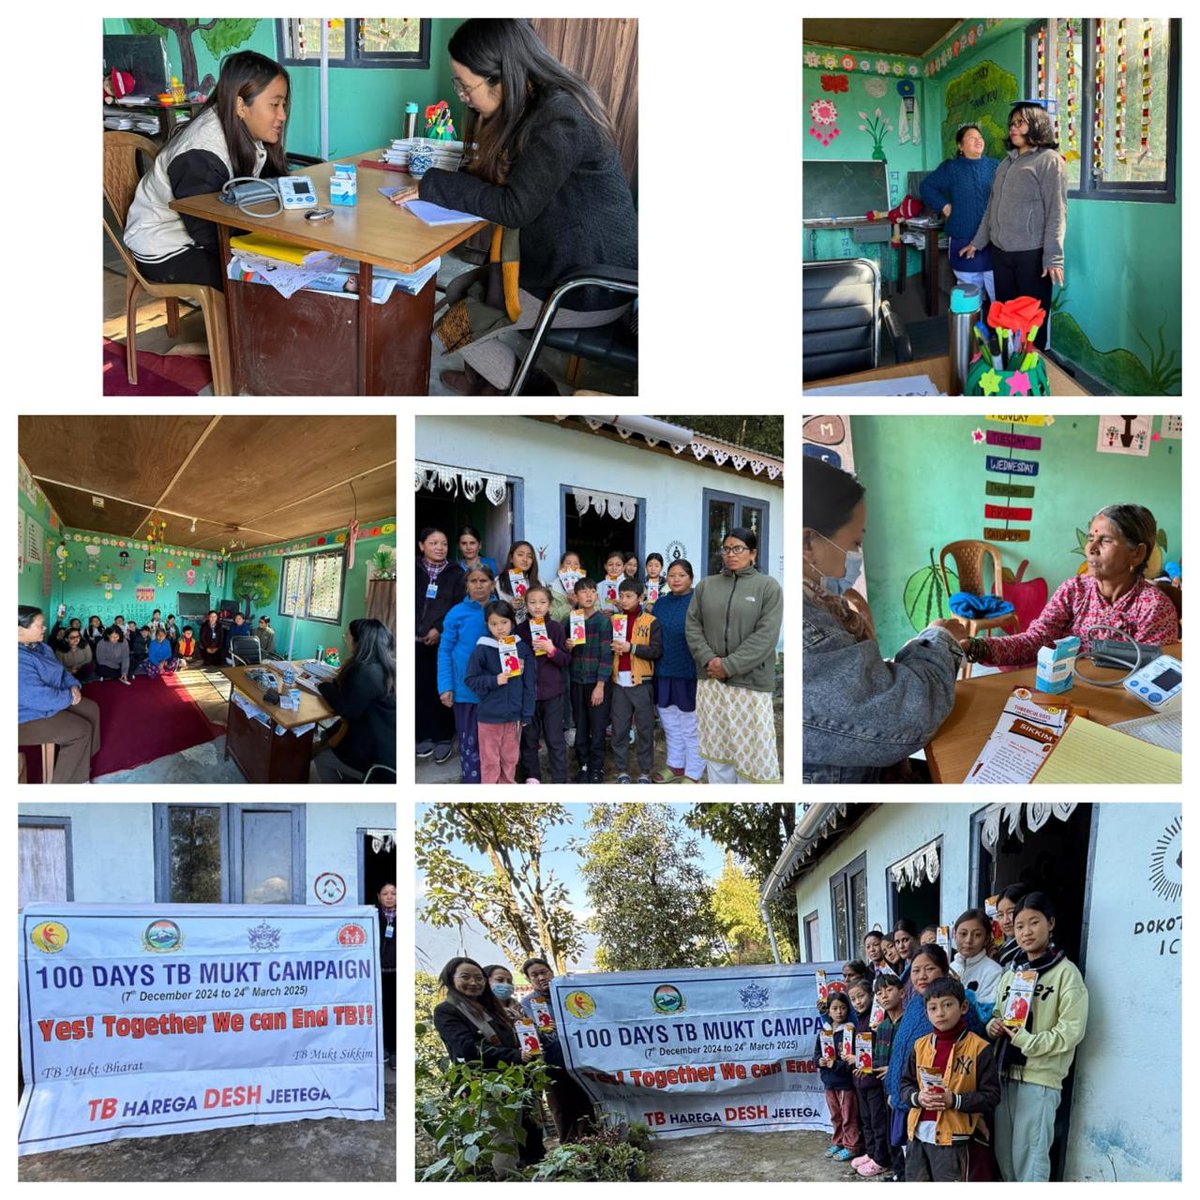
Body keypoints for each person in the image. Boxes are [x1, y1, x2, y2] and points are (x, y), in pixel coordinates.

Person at [388, 18, 637, 396]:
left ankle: (531, 390)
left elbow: (515, 207)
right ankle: (482, 382)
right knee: (457, 288)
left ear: (501, 78)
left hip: (588, 285)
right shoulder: (539, 105)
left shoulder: (561, 118)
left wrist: (435, 185)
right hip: (562, 263)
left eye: (464, 85)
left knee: (455, 326)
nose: (462, 96)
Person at [803, 455, 966, 782]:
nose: (855, 556)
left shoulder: (821, 603)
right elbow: (903, 713)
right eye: (855, 543)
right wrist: (937, 639)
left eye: (1101, 539)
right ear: (808, 542)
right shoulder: (807, 629)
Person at [123, 50, 291, 291]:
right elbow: (210, 232)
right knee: (263, 278)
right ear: (240, 105)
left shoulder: (240, 130)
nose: (282, 115)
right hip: (166, 246)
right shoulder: (199, 154)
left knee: (284, 262)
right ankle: (241, 328)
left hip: (202, 234)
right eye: (274, 104)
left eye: (283, 104)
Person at [962, 504, 1178, 668]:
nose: (1091, 548)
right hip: (1064, 692)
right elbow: (1036, 641)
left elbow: (1153, 675)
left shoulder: (1154, 608)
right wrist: (975, 647)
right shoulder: (1074, 590)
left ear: (1137, 553)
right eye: (1091, 538)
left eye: (1105, 541)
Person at [986, 892, 1088, 1182]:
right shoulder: (1012, 975)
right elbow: (997, 1012)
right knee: (1004, 1156)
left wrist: (1027, 1041)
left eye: (1034, 923)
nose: (1026, 932)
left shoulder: (1066, 974)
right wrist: (993, 1025)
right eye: (1019, 926)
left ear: (1051, 923)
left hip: (1039, 1079)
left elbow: (1071, 1030)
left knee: (1031, 1159)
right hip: (1005, 1075)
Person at [962, 102, 1067, 351]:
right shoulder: (1005, 164)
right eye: (1011, 123)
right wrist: (977, 243)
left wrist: (1053, 258)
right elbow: (992, 208)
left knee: (1031, 324)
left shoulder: (1049, 160)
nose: (1013, 128)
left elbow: (1057, 212)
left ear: (1037, 124)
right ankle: (1010, 373)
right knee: (1006, 319)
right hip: (1001, 255)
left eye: (1020, 122)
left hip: (1032, 256)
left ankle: (1032, 377)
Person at [685, 527, 783, 784]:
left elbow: (766, 636)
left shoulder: (768, 588)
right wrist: (709, 660)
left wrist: (729, 665)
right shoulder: (706, 586)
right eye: (727, 548)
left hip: (749, 684)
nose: (731, 554)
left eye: (738, 548)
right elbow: (692, 626)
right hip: (710, 681)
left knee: (752, 755)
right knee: (717, 753)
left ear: (753, 554)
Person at [432, 957, 545, 1172]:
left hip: (514, 1082)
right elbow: (467, 1049)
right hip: (485, 1085)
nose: (473, 982)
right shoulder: (447, 1010)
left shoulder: (488, 1008)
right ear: (451, 979)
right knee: (501, 1140)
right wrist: (514, 1055)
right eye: (465, 977)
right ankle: (506, 1179)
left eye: (478, 978)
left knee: (522, 1135)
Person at [900, 977, 1001, 1181]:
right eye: (933, 1008)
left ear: (963, 1007)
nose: (940, 1013)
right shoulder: (920, 1046)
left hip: (954, 1140)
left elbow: (992, 1097)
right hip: (917, 1135)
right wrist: (918, 1098)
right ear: (926, 1012)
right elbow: (905, 1084)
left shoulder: (979, 1048)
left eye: (947, 1005)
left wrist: (954, 1100)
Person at [18, 606, 103, 784]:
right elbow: (35, 697)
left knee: (91, 708)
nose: (44, 628)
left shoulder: (42, 647)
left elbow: (61, 672)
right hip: (26, 715)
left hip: (54, 697)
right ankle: (69, 784)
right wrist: (68, 697)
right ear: (19, 630)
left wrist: (73, 685)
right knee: (80, 730)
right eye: (40, 625)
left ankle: (82, 761)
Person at [919, 123, 1000, 302]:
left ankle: (997, 331)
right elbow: (926, 187)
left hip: (993, 242)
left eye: (980, 138)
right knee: (970, 298)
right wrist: (945, 206)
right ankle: (971, 330)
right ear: (960, 146)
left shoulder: (996, 166)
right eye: (971, 138)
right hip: (964, 240)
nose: (978, 141)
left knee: (998, 298)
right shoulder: (951, 168)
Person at [521, 957, 596, 1142]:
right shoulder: (528, 1003)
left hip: (581, 1059)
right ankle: (569, 1147)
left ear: (551, 972)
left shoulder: (568, 994)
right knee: (561, 1107)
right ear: (530, 980)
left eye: (543, 972)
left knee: (586, 1103)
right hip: (552, 1063)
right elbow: (529, 1031)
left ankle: (594, 1142)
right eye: (534, 975)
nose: (541, 977)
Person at [315, 618, 397, 783]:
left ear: (360, 641)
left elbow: (345, 709)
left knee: (321, 758)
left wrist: (324, 686)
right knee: (326, 734)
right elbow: (357, 694)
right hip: (385, 739)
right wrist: (334, 682)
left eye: (348, 635)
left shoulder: (365, 671)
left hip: (375, 753)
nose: (346, 638)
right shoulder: (386, 665)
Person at [465, 600, 536, 784]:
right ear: (487, 625)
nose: (500, 628)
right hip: (489, 718)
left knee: (511, 759)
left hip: (514, 717)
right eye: (494, 623)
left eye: (504, 622)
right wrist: (495, 680)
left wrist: (527, 714)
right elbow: (470, 679)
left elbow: (529, 684)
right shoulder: (482, 649)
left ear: (512, 622)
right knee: (490, 763)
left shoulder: (521, 647)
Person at [438, 565, 495, 783]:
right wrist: (445, 686)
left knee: (494, 745)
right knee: (469, 744)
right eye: (474, 581)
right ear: (467, 585)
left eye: (484, 581)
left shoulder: (500, 610)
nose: (479, 585)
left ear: (492, 584)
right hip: (465, 691)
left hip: (496, 691)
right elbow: (444, 651)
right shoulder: (456, 613)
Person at [649, 559, 704, 783]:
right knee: (669, 722)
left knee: (690, 725)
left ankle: (694, 772)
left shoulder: (699, 602)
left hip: (688, 671)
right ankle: (676, 765)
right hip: (663, 670)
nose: (676, 579)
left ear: (690, 578)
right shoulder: (660, 603)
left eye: (681, 575)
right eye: (671, 575)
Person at [416, 527, 466, 763]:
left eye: (444, 543)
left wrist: (439, 628)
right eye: (434, 543)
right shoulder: (413, 569)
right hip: (413, 641)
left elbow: (458, 606)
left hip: (443, 641)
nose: (439, 547)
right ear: (421, 545)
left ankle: (444, 737)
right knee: (420, 689)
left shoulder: (456, 573)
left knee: (444, 687)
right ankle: (423, 735)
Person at [515, 585, 571, 784]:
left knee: (555, 739)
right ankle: (533, 778)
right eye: (532, 602)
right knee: (529, 740)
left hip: (553, 694)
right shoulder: (519, 630)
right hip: (528, 696)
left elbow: (565, 660)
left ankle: (559, 779)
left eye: (542, 602)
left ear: (549, 604)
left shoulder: (556, 628)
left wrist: (551, 649)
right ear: (526, 604)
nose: (537, 607)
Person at [609, 577, 662, 784]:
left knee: (645, 729)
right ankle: (622, 770)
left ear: (641, 598)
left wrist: (631, 648)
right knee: (619, 729)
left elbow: (656, 651)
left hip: (642, 683)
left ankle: (645, 771)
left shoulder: (651, 621)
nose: (624, 600)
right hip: (618, 683)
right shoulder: (614, 620)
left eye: (629, 596)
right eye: (621, 596)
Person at [854, 971, 905, 1179]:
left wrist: (892, 1071)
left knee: (900, 1132)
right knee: (887, 1128)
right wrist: (866, 1066)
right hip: (884, 1088)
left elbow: (907, 1057)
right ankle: (895, 1170)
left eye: (889, 990)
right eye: (879, 993)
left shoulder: (907, 1023)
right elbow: (878, 1058)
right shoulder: (882, 1026)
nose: (884, 996)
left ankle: (902, 1172)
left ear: (902, 992)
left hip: (903, 1089)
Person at [566, 577, 612, 783]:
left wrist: (600, 686)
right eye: (583, 592)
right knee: (581, 725)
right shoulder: (571, 619)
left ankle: (597, 768)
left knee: (598, 726)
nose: (588, 595)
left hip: (596, 683)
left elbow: (606, 655)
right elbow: (564, 654)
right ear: (575, 596)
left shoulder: (602, 620)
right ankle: (583, 765)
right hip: (577, 681)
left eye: (592, 591)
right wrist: (567, 646)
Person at [847, 978, 890, 1178]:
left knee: (878, 1121)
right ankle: (871, 1154)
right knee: (866, 1121)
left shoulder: (877, 1022)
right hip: (860, 1081)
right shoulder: (858, 1021)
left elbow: (879, 1052)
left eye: (861, 996)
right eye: (853, 999)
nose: (858, 1002)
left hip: (873, 1081)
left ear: (871, 996)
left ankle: (881, 1159)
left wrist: (861, 1061)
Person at [814, 992, 861, 1162]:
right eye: (835, 1008)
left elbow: (854, 1061)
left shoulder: (850, 1031)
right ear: (829, 1011)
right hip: (829, 1083)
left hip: (845, 1084)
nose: (839, 1012)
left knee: (849, 1116)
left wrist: (836, 1065)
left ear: (848, 1009)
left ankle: (852, 1146)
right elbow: (816, 1055)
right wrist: (819, 1061)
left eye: (842, 1008)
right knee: (835, 1115)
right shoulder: (824, 1032)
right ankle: (839, 1142)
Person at [950, 907, 1005, 1012]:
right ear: (955, 935)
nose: (968, 940)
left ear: (986, 939)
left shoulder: (993, 971)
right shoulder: (950, 968)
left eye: (977, 935)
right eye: (963, 934)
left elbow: (986, 1012)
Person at [376, 883, 397, 1070]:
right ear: (379, 897)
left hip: (396, 973)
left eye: (394, 893)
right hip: (377, 974)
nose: (389, 897)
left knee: (394, 1012)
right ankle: (382, 1047)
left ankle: (395, 1051)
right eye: (385, 893)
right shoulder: (374, 916)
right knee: (379, 1012)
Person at [495, 540, 540, 626]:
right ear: (511, 558)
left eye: (529, 556)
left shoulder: (539, 582)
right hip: (508, 630)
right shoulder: (499, 582)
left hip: (533, 629)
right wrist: (509, 607)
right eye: (520, 555)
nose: (525, 559)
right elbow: (494, 611)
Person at [995, 883, 1030, 967]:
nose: (1005, 921)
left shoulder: (1029, 952)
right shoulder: (1002, 949)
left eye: (1011, 912)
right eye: (1000, 915)